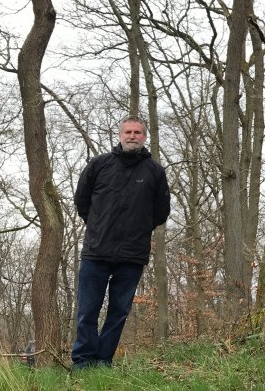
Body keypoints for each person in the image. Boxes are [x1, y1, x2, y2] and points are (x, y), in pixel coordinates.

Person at [71, 116, 170, 369]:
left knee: (118, 313)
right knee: (87, 311)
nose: (132, 136)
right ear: (120, 135)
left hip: (132, 255)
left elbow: (161, 211)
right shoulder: (99, 165)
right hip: (96, 251)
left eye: (138, 132)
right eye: (128, 131)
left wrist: (138, 229)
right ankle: (83, 361)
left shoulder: (155, 172)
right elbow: (82, 202)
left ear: (144, 137)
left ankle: (103, 361)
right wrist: (97, 226)